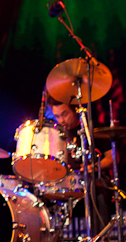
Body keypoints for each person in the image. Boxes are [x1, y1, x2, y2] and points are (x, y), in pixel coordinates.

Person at [48, 95, 114, 231]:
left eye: (64, 114)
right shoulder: (57, 134)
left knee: (98, 191)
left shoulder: (93, 129)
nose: (61, 120)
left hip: (92, 179)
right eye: (57, 116)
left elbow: (113, 158)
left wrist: (92, 168)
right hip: (66, 182)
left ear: (75, 110)